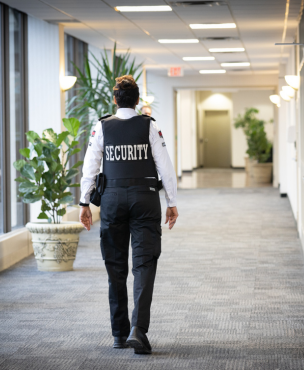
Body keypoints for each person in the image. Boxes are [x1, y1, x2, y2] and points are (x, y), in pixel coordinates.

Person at [78, 75, 178, 355]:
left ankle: (119, 334)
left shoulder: (102, 127)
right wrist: (171, 202)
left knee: (116, 267)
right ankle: (138, 329)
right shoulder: (149, 125)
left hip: (111, 201)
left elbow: (90, 167)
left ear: (115, 100)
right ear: (137, 101)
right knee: (144, 264)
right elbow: (165, 167)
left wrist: (84, 203)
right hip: (145, 199)